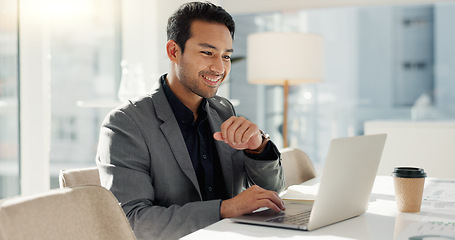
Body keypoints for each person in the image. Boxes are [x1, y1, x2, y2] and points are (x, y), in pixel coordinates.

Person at [96, 2, 285, 239]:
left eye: (226, 56)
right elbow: (133, 221)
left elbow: (274, 195)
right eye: (207, 53)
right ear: (174, 51)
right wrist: (225, 209)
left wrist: (259, 148)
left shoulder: (224, 110)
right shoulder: (125, 124)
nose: (219, 67)